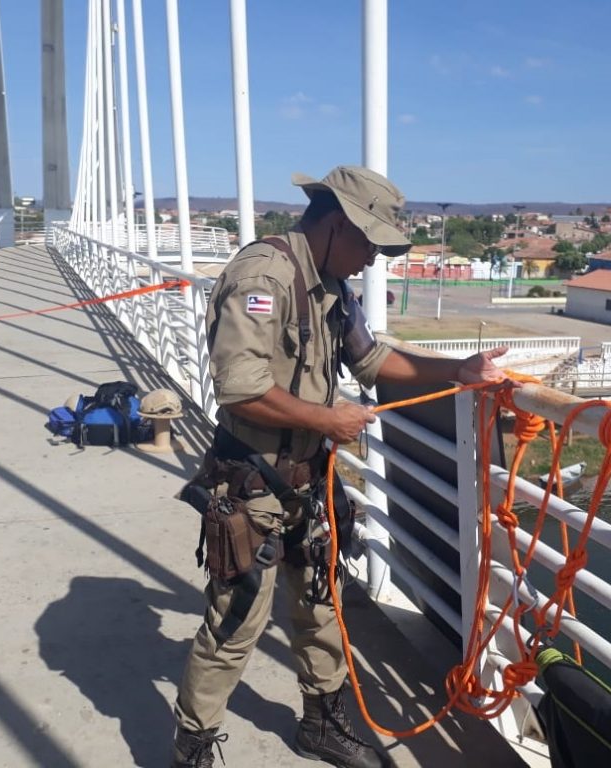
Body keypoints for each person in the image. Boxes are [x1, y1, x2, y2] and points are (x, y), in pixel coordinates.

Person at [172, 166, 509, 768]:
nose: (374, 260)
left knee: (321, 606)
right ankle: (192, 744)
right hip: (254, 481)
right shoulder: (265, 277)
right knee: (236, 623)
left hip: (311, 480)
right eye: (370, 244)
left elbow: (372, 360)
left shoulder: (332, 282)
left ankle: (321, 724)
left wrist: (459, 371)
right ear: (336, 224)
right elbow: (238, 389)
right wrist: (327, 420)